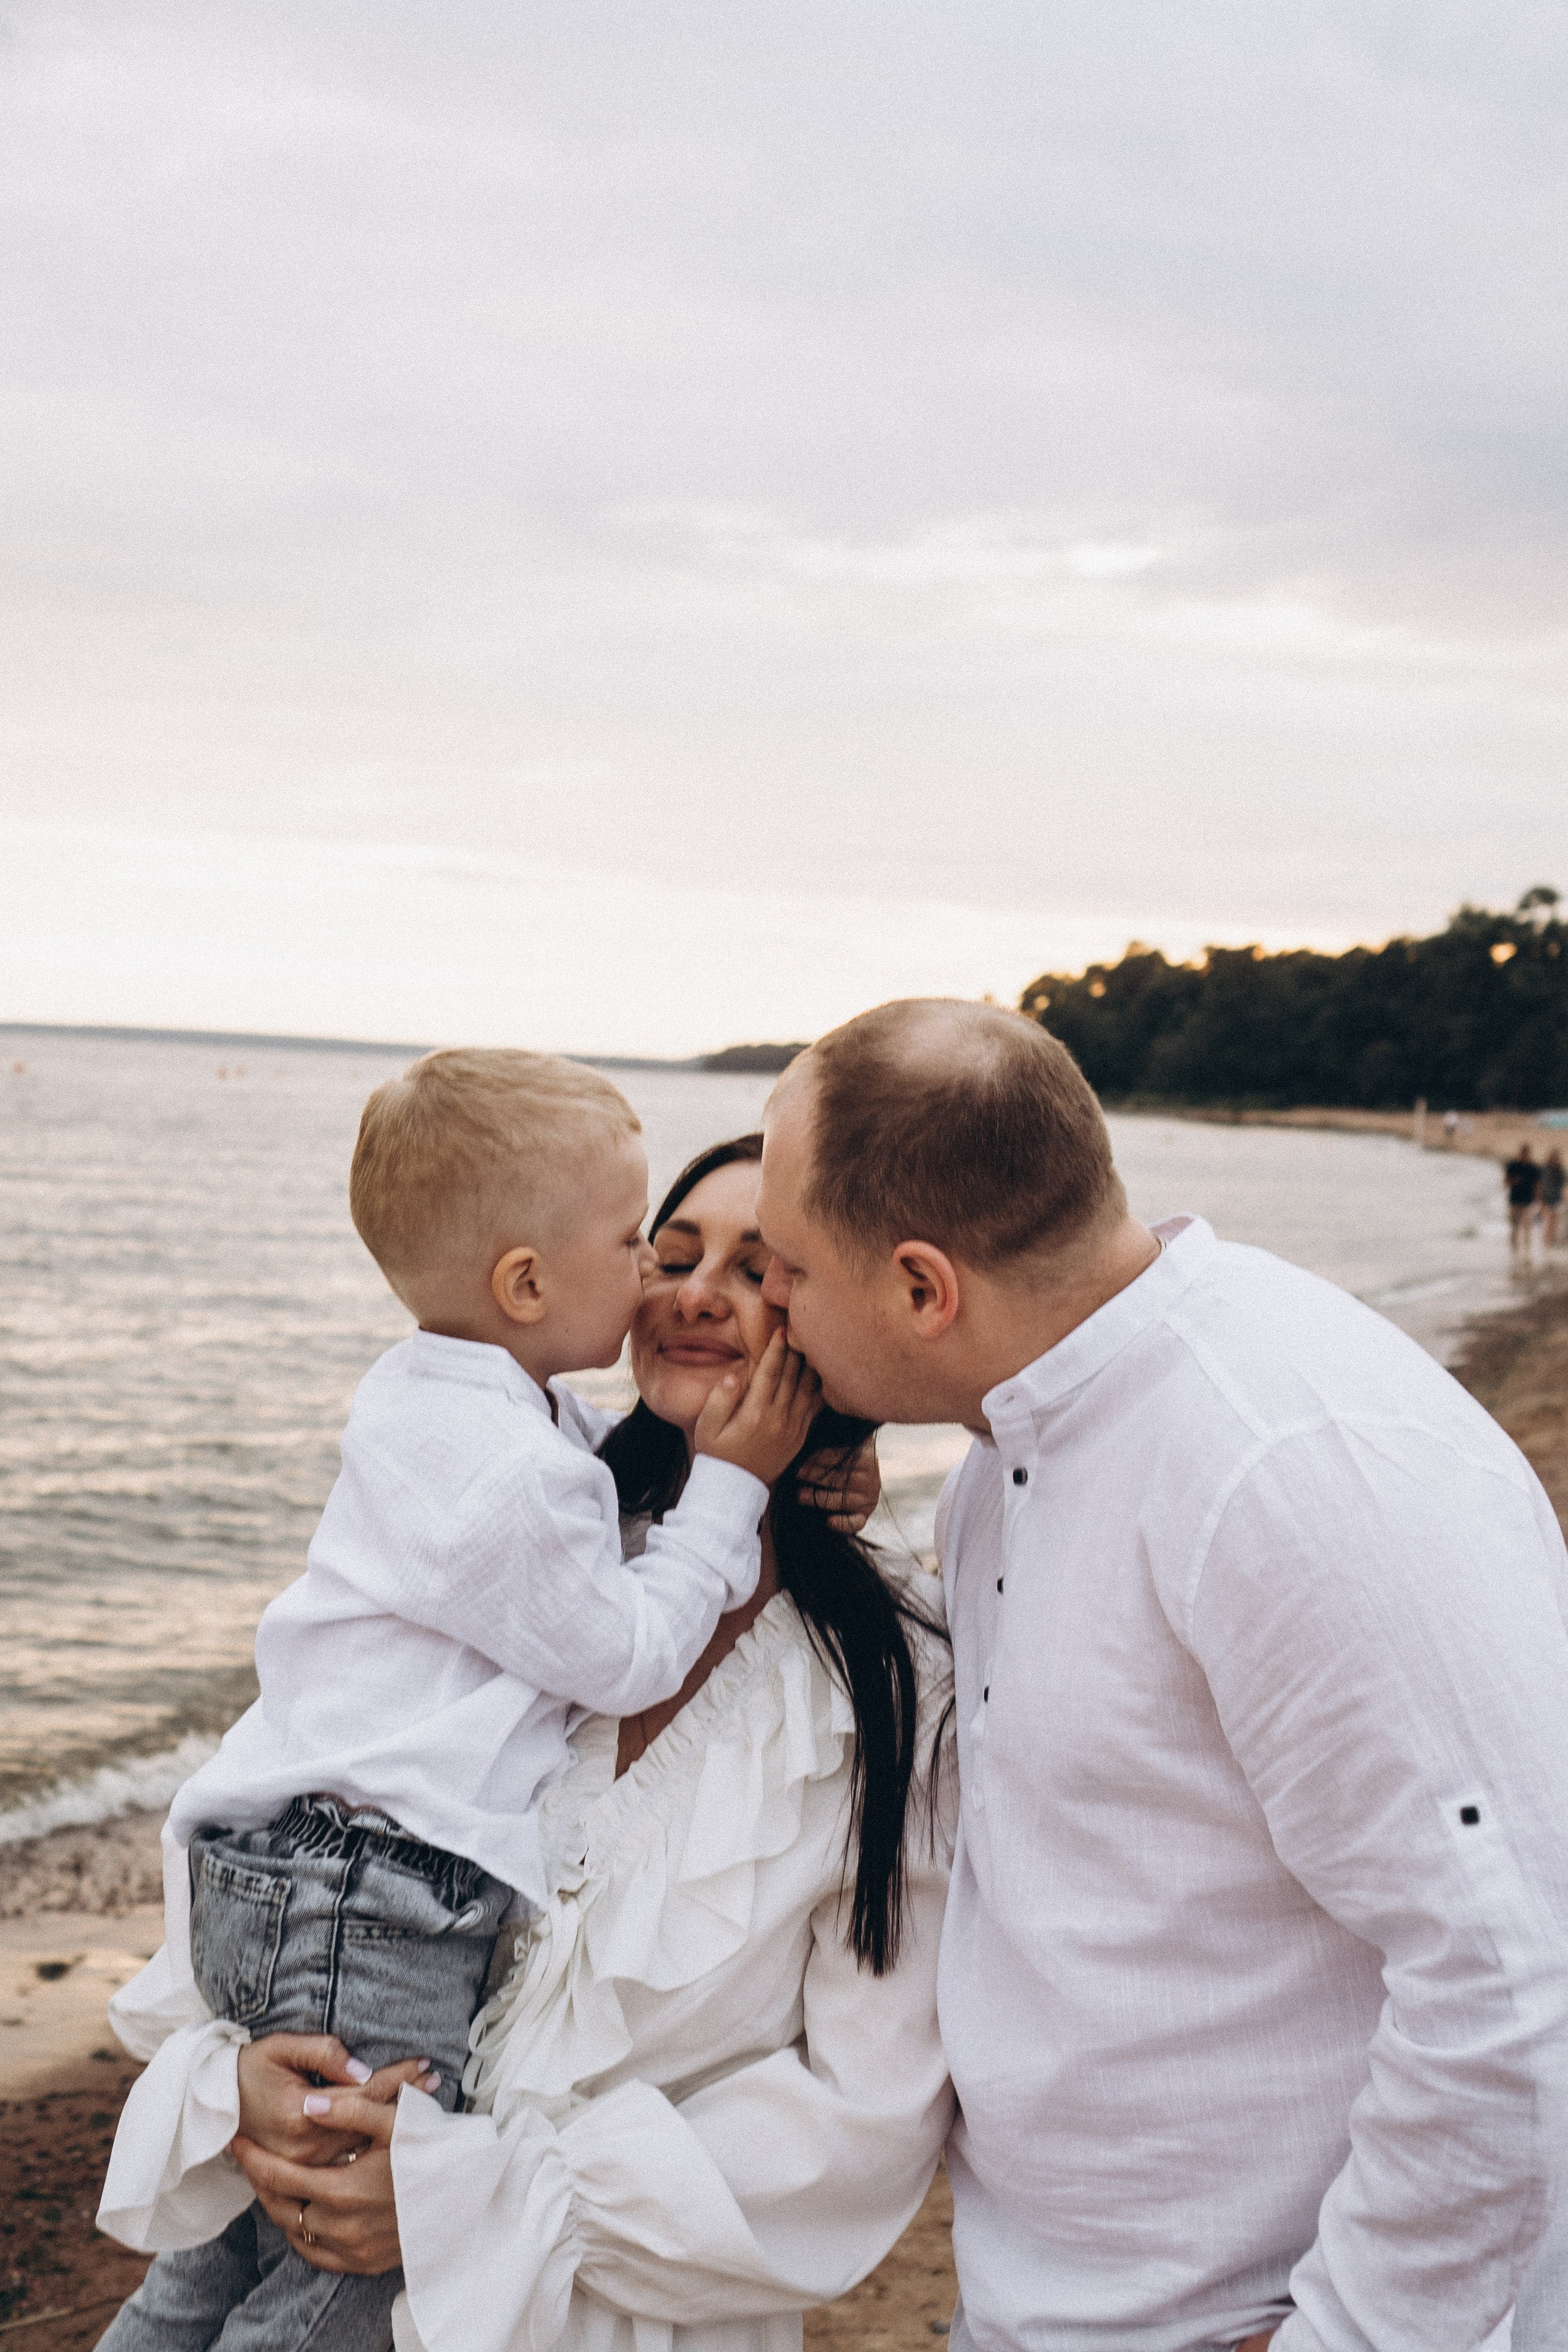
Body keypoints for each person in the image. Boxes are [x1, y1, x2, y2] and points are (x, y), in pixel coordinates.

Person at [753, 1000, 1568, 2352]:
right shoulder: (1007, 1460)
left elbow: (1518, 1972)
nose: (763, 1301)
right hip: (1049, 2306)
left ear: (918, 1288)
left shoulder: (1280, 1466)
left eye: (784, 1265)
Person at [96, 1135, 956, 2352]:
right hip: (302, 2224)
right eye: (669, 1253)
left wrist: (478, 2201)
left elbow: (860, 2120)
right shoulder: (501, 1539)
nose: (700, 1290)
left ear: (846, 1316)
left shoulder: (900, 1674)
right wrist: (233, 2090)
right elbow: (282, 1833)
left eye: (763, 1269)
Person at [1506, 1142, 1542, 1257]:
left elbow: (1537, 1185)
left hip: (1528, 1201)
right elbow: (1506, 1182)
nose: (1524, 1156)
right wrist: (1514, 1181)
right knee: (1514, 1225)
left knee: (1527, 1226)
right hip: (1515, 1200)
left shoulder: (1533, 1168)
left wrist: (1538, 1200)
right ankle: (1514, 1251)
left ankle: (1527, 1251)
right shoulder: (1513, 1166)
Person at [1540, 1147, 1564, 1248]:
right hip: (1547, 1200)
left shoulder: (1561, 1171)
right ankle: (1546, 1243)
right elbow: (1541, 1185)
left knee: (1555, 1224)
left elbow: (1564, 1187)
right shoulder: (1545, 1170)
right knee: (1548, 1223)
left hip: (1557, 1200)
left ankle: (1551, 1243)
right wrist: (1541, 1201)